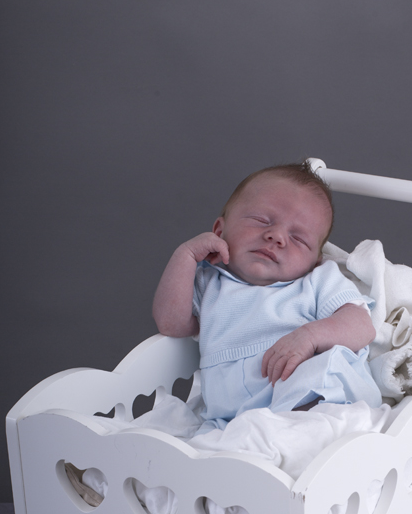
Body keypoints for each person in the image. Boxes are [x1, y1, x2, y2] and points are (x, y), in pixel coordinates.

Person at [153, 162, 381, 431]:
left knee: (318, 377)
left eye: (298, 239)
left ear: (315, 260)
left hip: (314, 401)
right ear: (219, 231)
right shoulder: (210, 280)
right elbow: (171, 323)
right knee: (218, 441)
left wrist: (309, 337)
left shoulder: (316, 280)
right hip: (233, 416)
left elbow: (362, 326)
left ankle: (306, 431)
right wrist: (186, 256)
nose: (276, 236)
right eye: (261, 221)